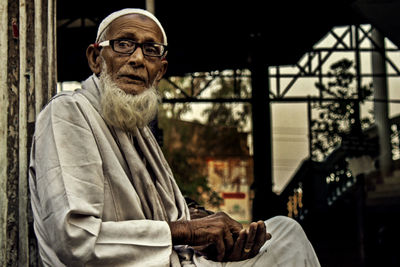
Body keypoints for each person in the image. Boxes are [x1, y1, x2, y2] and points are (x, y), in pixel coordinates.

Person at [28, 8, 321, 267]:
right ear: (95, 58)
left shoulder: (137, 129)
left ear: (160, 71)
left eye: (151, 50)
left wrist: (214, 246)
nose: (138, 58)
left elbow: (172, 221)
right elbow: (73, 241)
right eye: (124, 45)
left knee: (284, 233)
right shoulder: (69, 112)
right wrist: (189, 231)